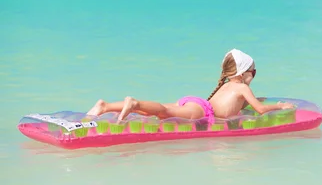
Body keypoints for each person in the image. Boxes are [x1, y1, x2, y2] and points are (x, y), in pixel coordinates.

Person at [86, 49, 294, 123]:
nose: (254, 76)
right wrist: (280, 106)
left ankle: (105, 106)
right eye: (253, 72)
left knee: (158, 111)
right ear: (242, 73)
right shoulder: (242, 88)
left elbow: (237, 106)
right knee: (164, 112)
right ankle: (134, 102)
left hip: (197, 104)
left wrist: (253, 102)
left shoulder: (228, 85)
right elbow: (259, 110)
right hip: (202, 111)